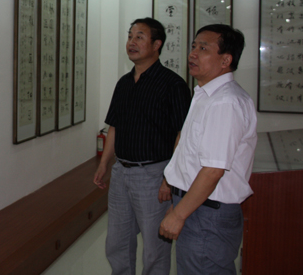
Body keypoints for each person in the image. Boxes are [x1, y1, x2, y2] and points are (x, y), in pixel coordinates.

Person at [94, 17, 192, 275]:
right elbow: (114, 126)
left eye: (139, 37)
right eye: (130, 36)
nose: (132, 42)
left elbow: (182, 135)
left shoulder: (173, 84)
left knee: (154, 246)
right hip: (121, 172)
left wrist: (169, 179)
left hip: (154, 174)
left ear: (157, 44)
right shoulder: (124, 83)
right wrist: (104, 164)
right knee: (117, 242)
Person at [159, 24, 257, 275]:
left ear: (226, 60)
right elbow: (188, 152)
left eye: (203, 48)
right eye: (193, 46)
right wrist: (178, 201)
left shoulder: (225, 102)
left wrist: (179, 215)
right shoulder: (205, 95)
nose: (192, 53)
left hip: (208, 214)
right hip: (198, 206)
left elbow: (213, 170)